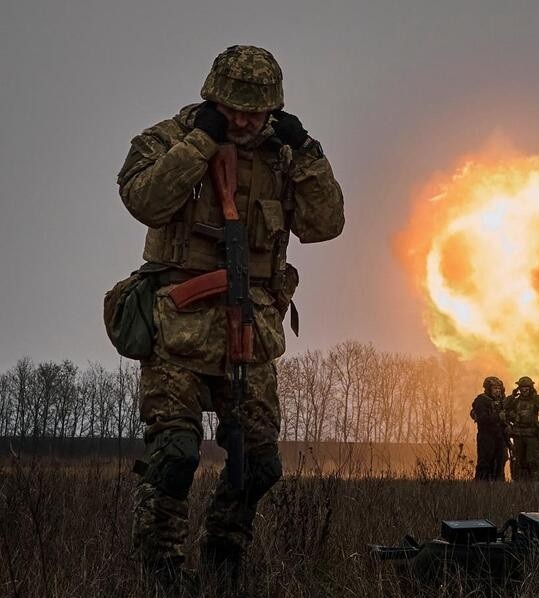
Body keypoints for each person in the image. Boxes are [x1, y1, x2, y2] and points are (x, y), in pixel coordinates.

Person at [117, 45, 344, 592]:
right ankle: (161, 573)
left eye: (257, 111)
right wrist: (201, 142)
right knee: (174, 457)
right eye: (235, 109)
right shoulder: (169, 138)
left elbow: (326, 223)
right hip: (179, 331)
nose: (245, 121)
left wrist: (308, 151)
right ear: (212, 98)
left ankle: (222, 559)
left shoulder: (286, 156)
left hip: (252, 331)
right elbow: (143, 200)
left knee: (260, 463)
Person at [504, 376, 539, 480]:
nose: (524, 390)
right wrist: (512, 396)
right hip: (518, 435)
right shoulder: (515, 401)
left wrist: (536, 396)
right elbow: (504, 407)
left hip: (531, 435)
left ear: (531, 388)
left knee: (532, 461)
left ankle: (536, 484)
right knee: (519, 462)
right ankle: (520, 484)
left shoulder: (534, 400)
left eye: (527, 387)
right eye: (522, 387)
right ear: (519, 388)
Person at [470, 376, 508, 481]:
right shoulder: (481, 401)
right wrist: (497, 416)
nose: (497, 391)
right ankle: (482, 486)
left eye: (499, 388)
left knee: (501, 460)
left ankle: (499, 486)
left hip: (500, 435)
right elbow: (482, 419)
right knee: (485, 462)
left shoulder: (503, 401)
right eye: (495, 388)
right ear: (488, 389)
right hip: (486, 436)